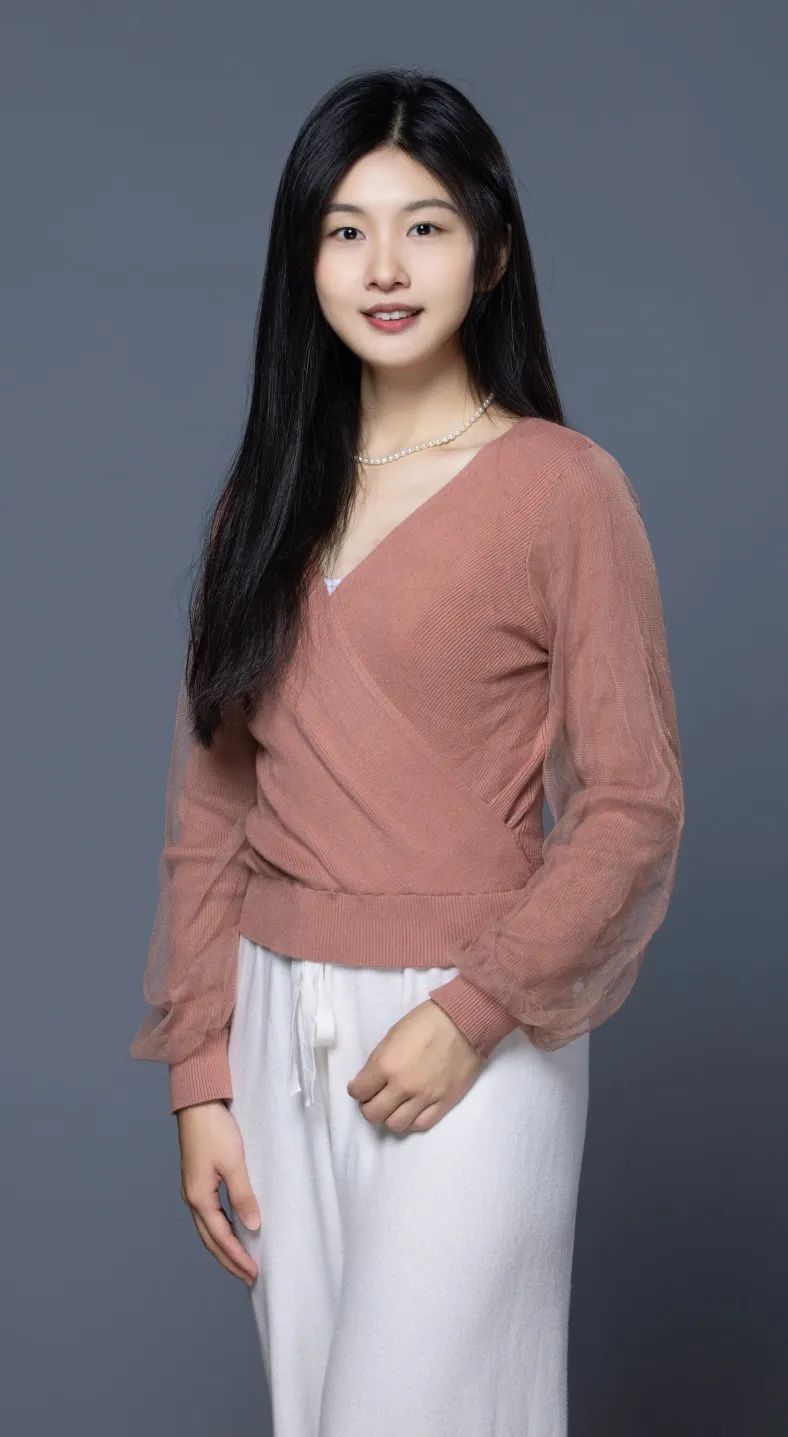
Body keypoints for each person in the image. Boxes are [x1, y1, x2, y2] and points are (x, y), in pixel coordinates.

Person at [129, 66, 685, 1437]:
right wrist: (200, 1076)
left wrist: (472, 1010)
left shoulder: (564, 489)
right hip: (273, 1026)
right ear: (304, 259)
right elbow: (214, 806)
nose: (385, 266)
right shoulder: (263, 504)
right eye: (347, 229)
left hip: (471, 1028)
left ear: (490, 254)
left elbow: (632, 805)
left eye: (425, 226)